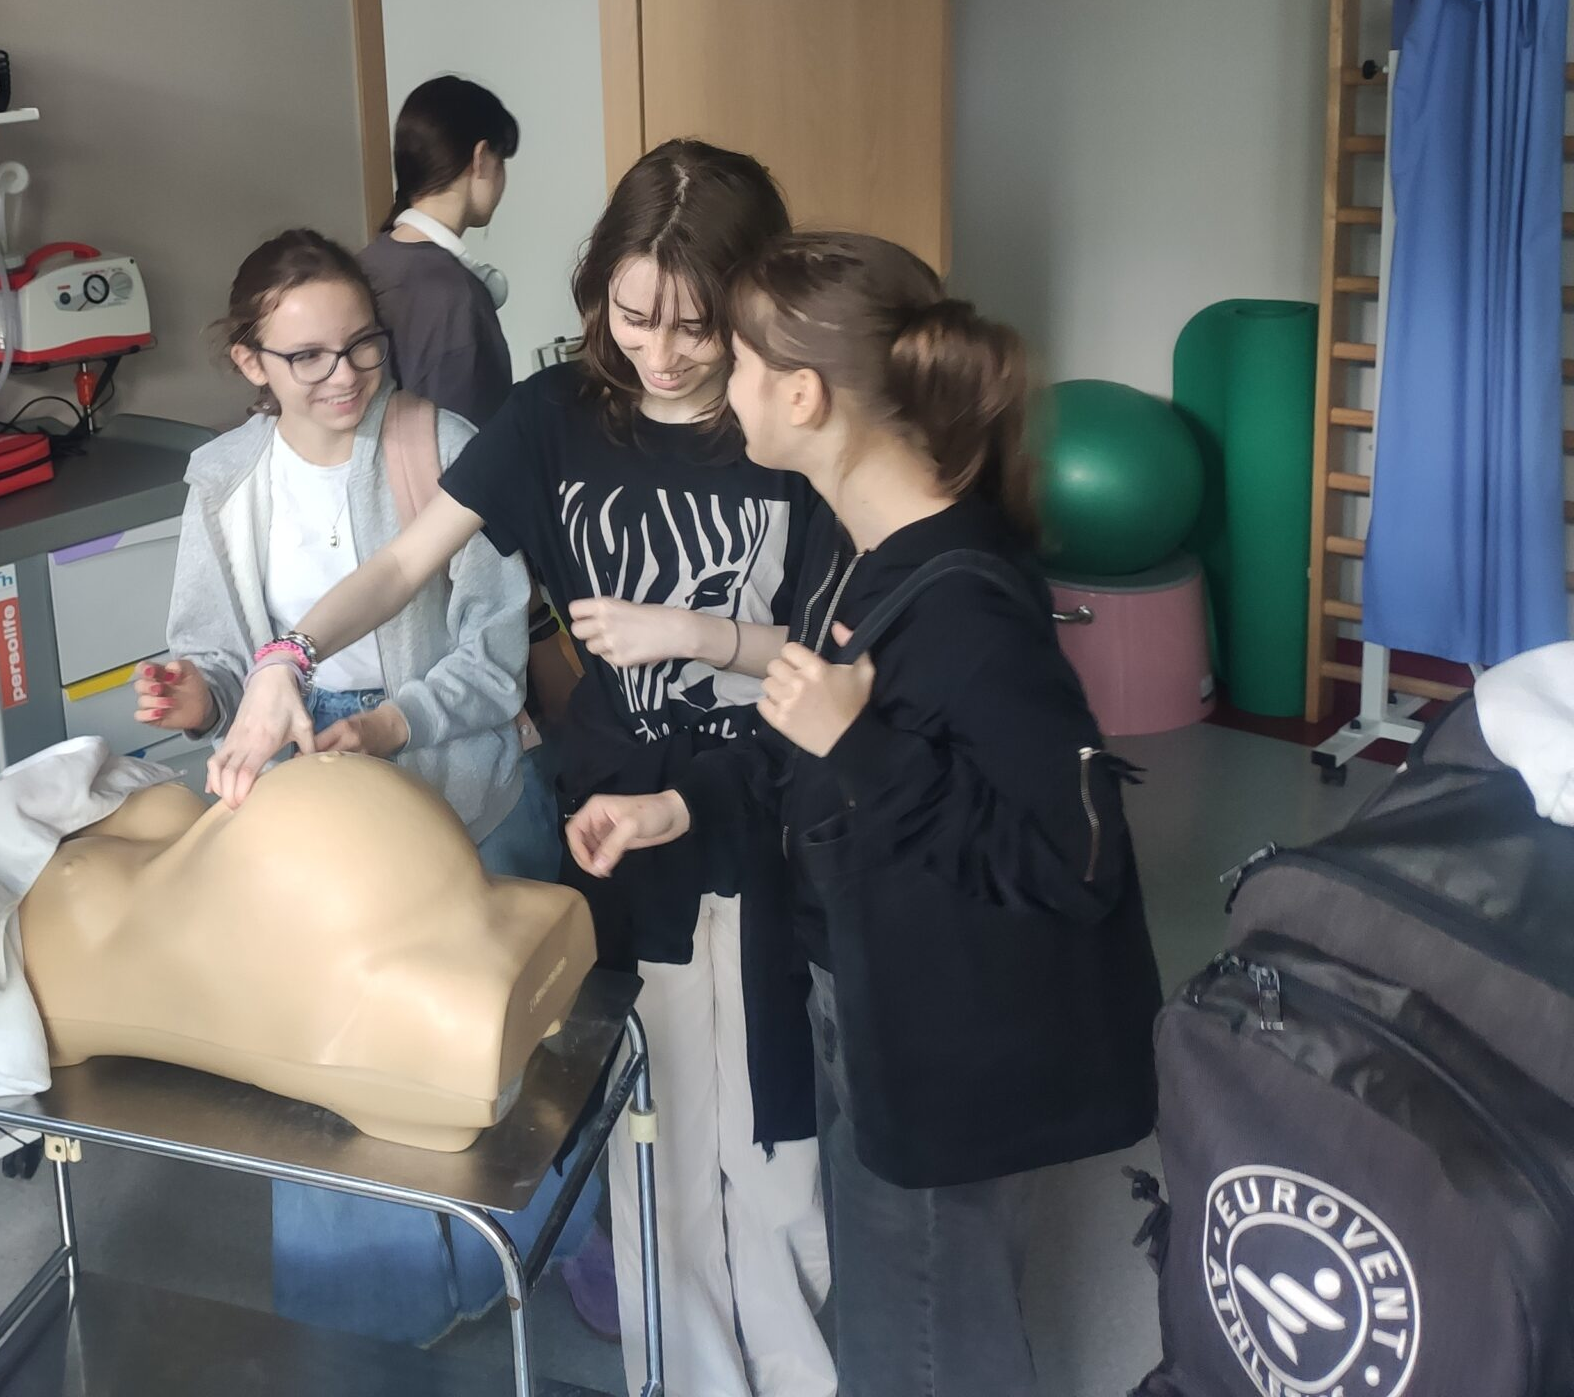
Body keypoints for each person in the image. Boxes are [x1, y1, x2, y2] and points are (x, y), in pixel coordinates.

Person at [206, 142, 834, 1397]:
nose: (663, 354)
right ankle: (683, 1373)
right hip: (616, 817)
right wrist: (284, 657)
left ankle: (793, 1371)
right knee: (651, 1125)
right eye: (634, 317)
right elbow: (404, 565)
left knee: (771, 1136)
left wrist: (696, 634)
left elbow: (842, 655)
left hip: (764, 804)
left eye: (697, 327)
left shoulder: (788, 418)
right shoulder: (556, 418)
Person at [567, 232, 1164, 1397]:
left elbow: (1069, 861)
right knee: (894, 1315)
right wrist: (678, 808)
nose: (719, 380)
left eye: (740, 361)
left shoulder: (966, 605)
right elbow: (803, 740)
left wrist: (862, 745)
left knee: (926, 1345)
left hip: (947, 1043)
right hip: (868, 999)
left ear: (802, 395)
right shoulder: (857, 551)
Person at [132, 225, 558, 1344]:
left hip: (459, 786)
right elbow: (223, 660)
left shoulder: (438, 446)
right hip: (310, 809)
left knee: (484, 1059)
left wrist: (387, 722)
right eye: (307, 356)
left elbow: (494, 659)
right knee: (329, 1065)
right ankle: (372, 1316)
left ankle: (517, 1278)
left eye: (363, 344)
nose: (344, 375)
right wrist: (196, 696)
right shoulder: (225, 479)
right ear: (251, 363)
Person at [358, 75, 521, 425]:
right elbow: (469, 442)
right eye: (501, 162)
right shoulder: (454, 295)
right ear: (481, 158)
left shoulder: (362, 266)